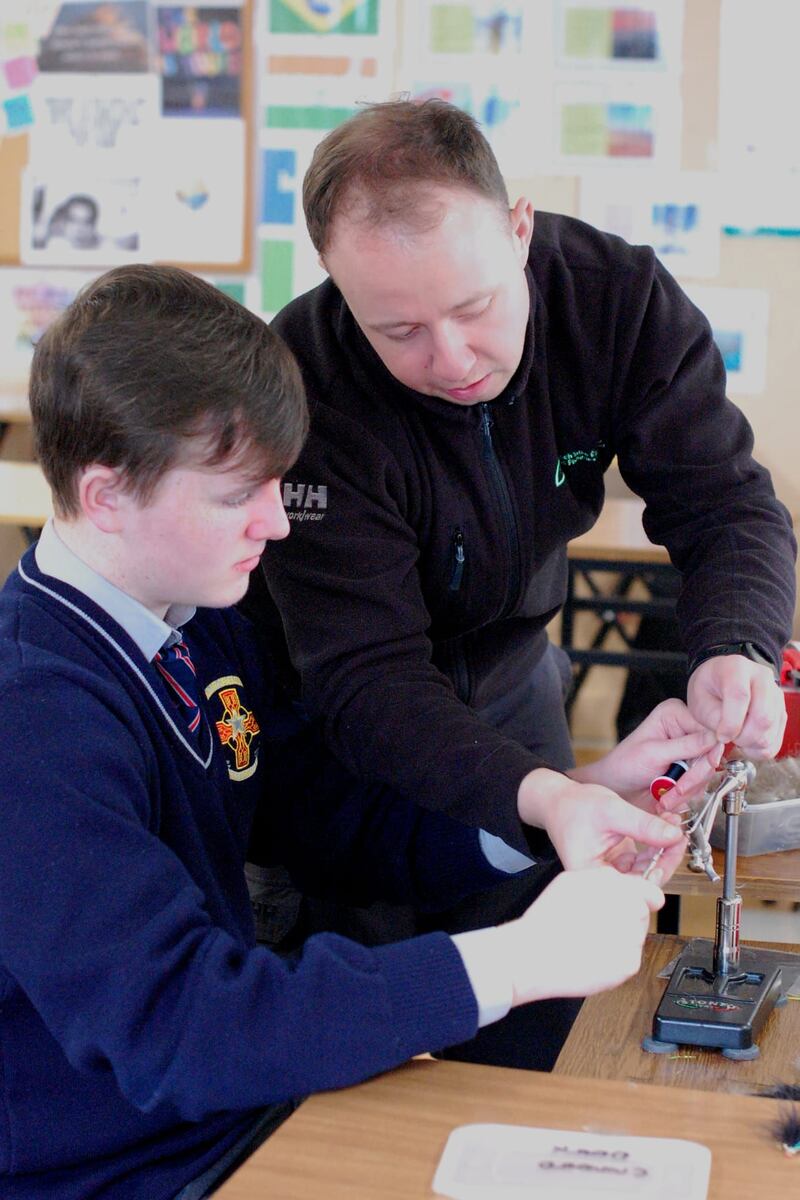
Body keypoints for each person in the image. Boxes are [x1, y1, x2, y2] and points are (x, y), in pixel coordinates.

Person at [0, 263, 715, 1199]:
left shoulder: (196, 618)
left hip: (238, 1107)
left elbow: (325, 810)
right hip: (133, 1165)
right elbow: (184, 1025)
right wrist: (518, 960)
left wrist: (564, 800)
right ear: (104, 495)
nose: (276, 524)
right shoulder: (33, 718)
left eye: (277, 485)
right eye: (234, 494)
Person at [248, 96, 795, 1024]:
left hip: (511, 680)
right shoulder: (306, 385)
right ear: (340, 287)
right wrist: (547, 792)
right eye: (399, 330)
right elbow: (366, 677)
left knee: (549, 987)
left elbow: (725, 504)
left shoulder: (616, 302)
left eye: (476, 307)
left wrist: (735, 649)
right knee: (372, 1022)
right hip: (337, 731)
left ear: (519, 226)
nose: (452, 358)